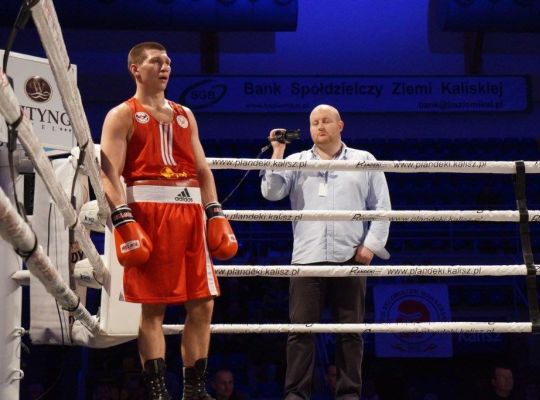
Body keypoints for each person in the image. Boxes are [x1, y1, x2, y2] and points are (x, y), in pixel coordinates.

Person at [100, 41, 237, 400]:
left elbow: (203, 169)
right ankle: (159, 392)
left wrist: (215, 211)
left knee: (203, 304)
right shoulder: (122, 114)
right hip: (148, 216)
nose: (165, 67)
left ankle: (194, 390)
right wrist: (123, 218)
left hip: (190, 216)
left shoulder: (184, 114)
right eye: (156, 61)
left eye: (168, 62)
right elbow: (108, 174)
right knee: (153, 308)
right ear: (135, 69)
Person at [260, 104, 391, 400]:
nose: (320, 126)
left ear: (340, 125)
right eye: (314, 122)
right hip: (307, 259)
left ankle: (349, 395)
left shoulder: (363, 159)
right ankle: (296, 396)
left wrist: (371, 245)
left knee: (350, 333)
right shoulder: (295, 161)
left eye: (326, 121)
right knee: (301, 332)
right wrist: (277, 152)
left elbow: (382, 207)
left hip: (351, 257)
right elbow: (271, 193)